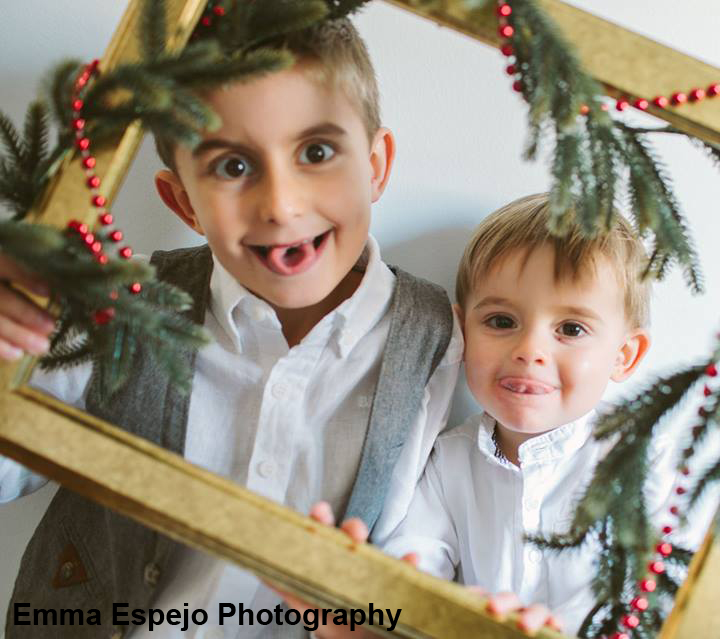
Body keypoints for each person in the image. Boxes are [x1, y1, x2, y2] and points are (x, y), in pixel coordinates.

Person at [0, 19, 462, 639]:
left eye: (316, 153)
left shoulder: (436, 339)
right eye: (234, 165)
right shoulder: (116, 304)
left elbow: (424, 541)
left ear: (375, 166)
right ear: (184, 203)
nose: (281, 204)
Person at [380, 192, 652, 634]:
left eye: (571, 329)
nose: (529, 350)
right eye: (502, 321)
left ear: (624, 355)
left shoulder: (644, 463)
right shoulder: (447, 462)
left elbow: (652, 599)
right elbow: (410, 566)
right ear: (461, 333)